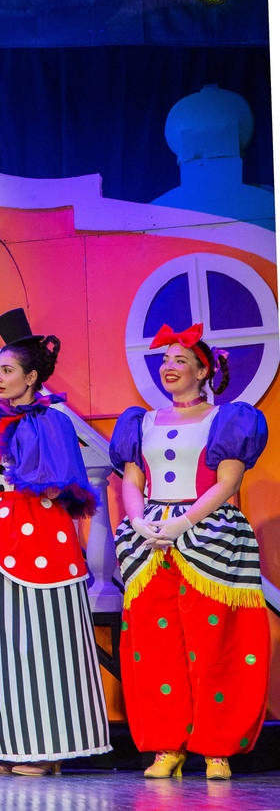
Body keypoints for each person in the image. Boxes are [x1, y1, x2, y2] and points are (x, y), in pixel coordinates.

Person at [0, 309, 110, 775]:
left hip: (41, 535)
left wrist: (36, 483)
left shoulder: (53, 421)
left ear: (31, 376)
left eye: (6, 370)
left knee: (46, 642)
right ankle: (13, 746)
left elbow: (66, 483)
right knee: (4, 643)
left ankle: (49, 750)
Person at [111, 323, 269, 780]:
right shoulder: (140, 422)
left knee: (214, 642)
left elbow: (228, 482)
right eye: (165, 360)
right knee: (155, 646)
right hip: (150, 539)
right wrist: (139, 522)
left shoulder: (227, 419)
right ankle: (167, 746)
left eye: (180, 360)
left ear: (203, 372)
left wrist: (183, 523)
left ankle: (217, 749)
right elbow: (133, 481)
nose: (169, 367)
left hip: (208, 535)